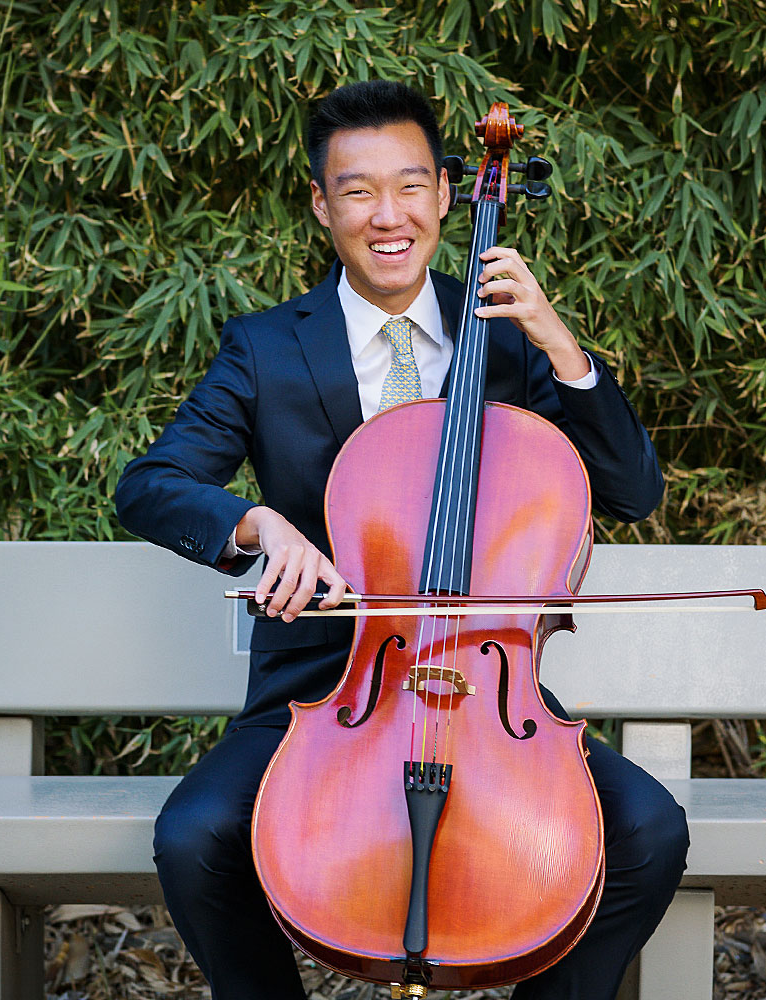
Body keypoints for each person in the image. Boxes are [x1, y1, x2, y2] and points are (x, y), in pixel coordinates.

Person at [115, 80, 688, 1000]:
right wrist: (258, 526)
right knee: (192, 838)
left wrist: (559, 343)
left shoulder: (506, 337)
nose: (390, 216)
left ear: (449, 195)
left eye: (412, 186)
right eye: (358, 190)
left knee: (652, 831)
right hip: (320, 694)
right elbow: (148, 486)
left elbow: (631, 492)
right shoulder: (264, 348)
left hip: (488, 691)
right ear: (321, 204)